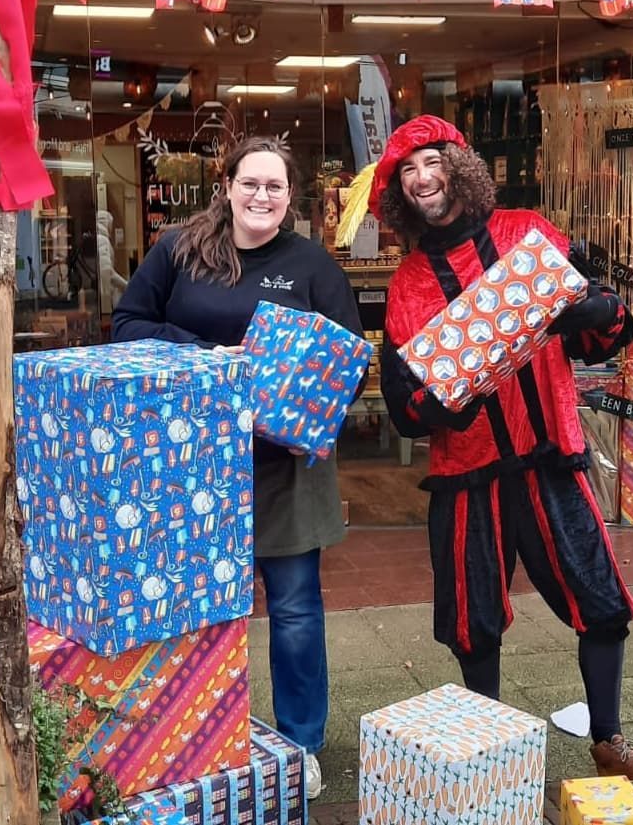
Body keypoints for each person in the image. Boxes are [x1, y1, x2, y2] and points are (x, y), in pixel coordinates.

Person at [368, 114, 633, 790]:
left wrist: (598, 311)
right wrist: (445, 396)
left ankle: (608, 740)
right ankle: (484, 763)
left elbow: (602, 329)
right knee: (471, 624)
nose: (422, 178)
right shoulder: (407, 285)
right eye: (407, 172)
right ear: (400, 192)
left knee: (601, 602)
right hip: (464, 475)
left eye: (431, 161)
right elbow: (403, 407)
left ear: (457, 166)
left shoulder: (525, 234)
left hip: (548, 459)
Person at [112, 136, 365, 801]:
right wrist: (210, 356)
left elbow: (348, 358)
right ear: (226, 186)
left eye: (274, 187)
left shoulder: (312, 265)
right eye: (249, 183)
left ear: (290, 196)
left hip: (284, 466)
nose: (260, 196)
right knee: (196, 609)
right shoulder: (178, 249)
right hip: (193, 463)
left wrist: (317, 414)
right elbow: (128, 322)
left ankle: (302, 742)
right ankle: (189, 735)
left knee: (293, 610)